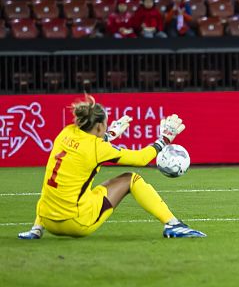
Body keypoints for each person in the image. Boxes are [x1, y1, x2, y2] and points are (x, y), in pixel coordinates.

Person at [17, 95, 205, 239]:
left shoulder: (66, 133)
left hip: (48, 220)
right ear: (98, 126)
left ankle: (35, 229)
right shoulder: (98, 148)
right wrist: (165, 138)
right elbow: (140, 158)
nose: (107, 126)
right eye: (106, 124)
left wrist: (112, 133)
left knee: (56, 179)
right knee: (131, 178)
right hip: (75, 222)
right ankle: (172, 224)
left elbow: (88, 146)